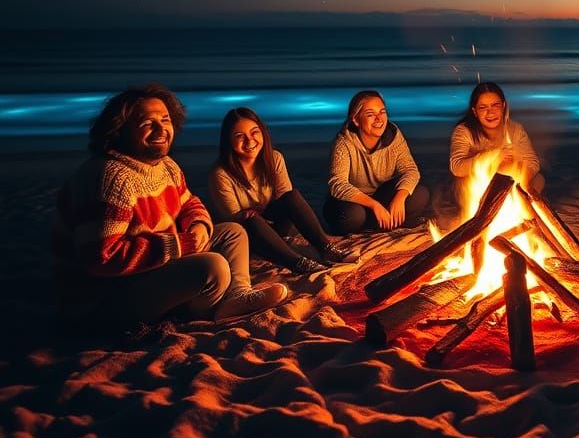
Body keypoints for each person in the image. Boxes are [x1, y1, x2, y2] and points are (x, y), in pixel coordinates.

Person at [53, 84, 289, 324]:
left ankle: (237, 295)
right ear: (118, 129)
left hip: (151, 267)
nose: (161, 129)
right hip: (107, 294)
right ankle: (200, 311)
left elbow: (190, 204)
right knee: (213, 266)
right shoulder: (110, 177)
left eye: (165, 120)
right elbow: (100, 258)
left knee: (233, 233)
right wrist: (181, 244)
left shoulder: (166, 166)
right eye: (147, 123)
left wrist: (197, 225)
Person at [208, 107, 355, 274]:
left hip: (272, 226)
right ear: (228, 141)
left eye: (254, 132)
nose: (249, 141)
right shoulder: (221, 174)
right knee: (251, 219)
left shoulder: (274, 158)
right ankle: (298, 263)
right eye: (239, 136)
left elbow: (285, 198)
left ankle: (326, 248)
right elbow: (235, 219)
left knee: (291, 196)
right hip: (247, 236)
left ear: (262, 132)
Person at [324, 90, 431, 233]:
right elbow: (337, 184)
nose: (379, 119)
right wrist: (374, 205)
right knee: (354, 216)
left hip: (379, 196)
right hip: (351, 203)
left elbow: (410, 170)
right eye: (370, 114)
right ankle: (371, 225)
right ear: (356, 119)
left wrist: (399, 198)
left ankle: (383, 222)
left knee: (420, 194)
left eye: (382, 112)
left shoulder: (393, 137)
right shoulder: (344, 143)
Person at [449, 81, 544, 209]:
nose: (490, 113)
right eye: (483, 108)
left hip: (511, 185)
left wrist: (522, 178)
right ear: (474, 111)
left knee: (538, 180)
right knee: (464, 184)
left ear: (503, 106)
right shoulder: (464, 131)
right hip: (476, 190)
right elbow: (457, 167)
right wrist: (493, 156)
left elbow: (532, 161)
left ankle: (519, 211)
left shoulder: (515, 130)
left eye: (495, 105)